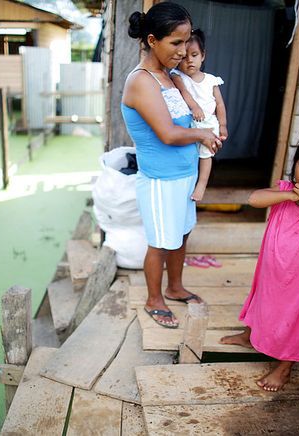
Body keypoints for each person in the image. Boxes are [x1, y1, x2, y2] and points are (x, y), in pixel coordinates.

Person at [220, 119, 299, 391]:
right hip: (271, 269)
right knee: (262, 301)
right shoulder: (284, 191)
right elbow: (254, 199)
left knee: (295, 317)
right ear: (295, 167)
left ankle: (285, 366)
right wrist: (290, 196)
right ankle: (249, 335)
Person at [121, 2, 222, 329]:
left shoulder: (169, 76)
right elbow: (166, 133)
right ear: (152, 40)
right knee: (161, 242)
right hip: (161, 181)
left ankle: (175, 286)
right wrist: (203, 134)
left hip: (184, 176)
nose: (183, 50)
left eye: (186, 41)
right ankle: (154, 298)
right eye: (175, 43)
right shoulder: (141, 81)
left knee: (181, 234)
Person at [170, 28, 228, 201]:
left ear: (203, 56)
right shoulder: (177, 76)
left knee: (205, 155)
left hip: (209, 124)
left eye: (194, 55)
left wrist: (223, 126)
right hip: (190, 124)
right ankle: (184, 184)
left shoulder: (211, 80)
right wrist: (194, 107)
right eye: (184, 56)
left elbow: (219, 104)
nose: (189, 61)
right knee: (186, 155)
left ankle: (201, 185)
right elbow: (184, 93)